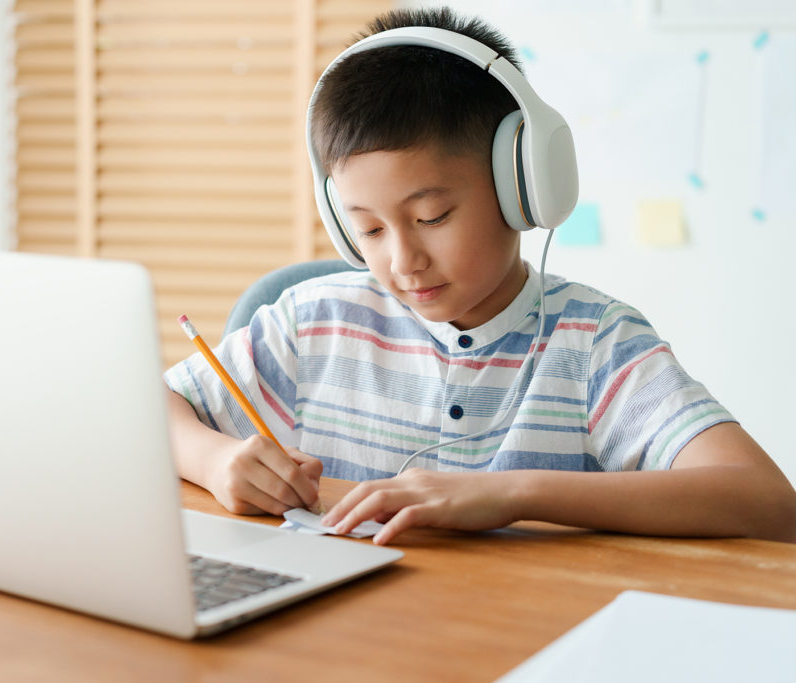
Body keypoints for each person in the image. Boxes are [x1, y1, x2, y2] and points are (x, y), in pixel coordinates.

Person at [163, 7, 796, 545]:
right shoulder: (314, 322)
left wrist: (511, 493)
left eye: (432, 216)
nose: (403, 260)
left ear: (522, 188)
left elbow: (768, 503)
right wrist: (216, 460)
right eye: (371, 230)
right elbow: (144, 410)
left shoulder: (594, 343)